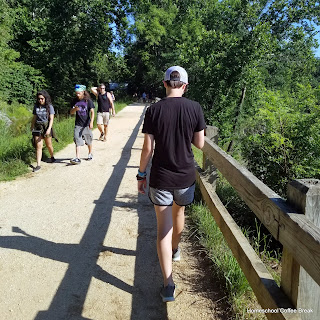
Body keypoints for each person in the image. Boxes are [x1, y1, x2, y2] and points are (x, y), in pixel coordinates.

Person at [137, 66, 206, 302]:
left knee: (162, 229)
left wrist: (140, 174)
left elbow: (148, 149)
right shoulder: (194, 107)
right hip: (185, 177)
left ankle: (168, 284)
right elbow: (200, 144)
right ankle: (176, 250)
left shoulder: (153, 110)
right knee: (180, 214)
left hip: (161, 177)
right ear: (184, 86)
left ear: (165, 83)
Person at [30, 90, 56, 172]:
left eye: (42, 98)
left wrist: (49, 129)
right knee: (38, 146)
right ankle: (38, 165)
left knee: (49, 145)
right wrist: (32, 126)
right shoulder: (36, 106)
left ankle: (52, 157)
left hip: (46, 126)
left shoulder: (49, 107)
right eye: (38, 99)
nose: (40, 100)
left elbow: (51, 119)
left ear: (45, 98)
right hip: (38, 127)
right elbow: (34, 117)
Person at [70, 84, 95, 164]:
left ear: (83, 92)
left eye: (79, 93)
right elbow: (71, 112)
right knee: (77, 139)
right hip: (78, 124)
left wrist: (91, 122)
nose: (77, 95)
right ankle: (77, 157)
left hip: (86, 124)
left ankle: (90, 153)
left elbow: (92, 112)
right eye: (76, 93)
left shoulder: (88, 101)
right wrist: (74, 109)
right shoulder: (75, 101)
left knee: (88, 140)